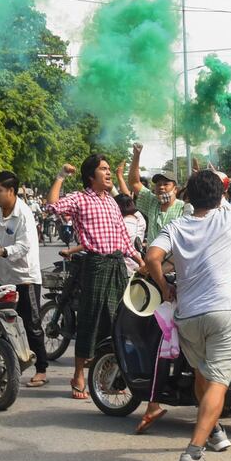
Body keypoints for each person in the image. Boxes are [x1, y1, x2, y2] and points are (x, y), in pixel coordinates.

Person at [144, 136, 231, 461]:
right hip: (224, 313)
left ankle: (212, 431)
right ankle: (193, 452)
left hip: (188, 317)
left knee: (203, 372)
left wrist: (165, 286)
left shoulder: (177, 224)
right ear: (220, 196)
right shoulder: (228, 216)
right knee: (217, 383)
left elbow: (152, 257)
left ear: (188, 196)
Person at [46, 155, 144, 400]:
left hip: (117, 266)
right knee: (90, 320)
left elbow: (123, 238)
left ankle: (107, 375)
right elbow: (52, 206)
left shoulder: (112, 202)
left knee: (117, 321)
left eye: (110, 169)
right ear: (91, 176)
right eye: (103, 169)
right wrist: (60, 177)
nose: (109, 173)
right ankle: (78, 375)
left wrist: (141, 261)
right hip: (95, 265)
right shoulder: (80, 199)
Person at [0, 171, 48, 388]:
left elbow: (25, 246)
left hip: (26, 279)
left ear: (11, 191)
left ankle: (41, 368)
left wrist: (3, 251)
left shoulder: (23, 214)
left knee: (31, 324)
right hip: (4, 278)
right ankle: (5, 363)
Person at [128, 143, 185, 243]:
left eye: (166, 184)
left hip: (174, 257)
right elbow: (134, 182)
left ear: (175, 189)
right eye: (158, 184)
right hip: (151, 257)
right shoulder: (151, 201)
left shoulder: (184, 208)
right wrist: (136, 155)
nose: (161, 187)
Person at [114, 194, 146, 275]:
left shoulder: (124, 224)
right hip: (135, 264)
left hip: (125, 267)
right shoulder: (140, 218)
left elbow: (126, 246)